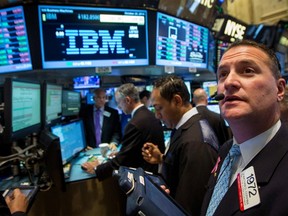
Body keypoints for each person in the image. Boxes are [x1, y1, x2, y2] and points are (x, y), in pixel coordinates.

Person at [200, 40, 288, 216]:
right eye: (223, 74)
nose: (229, 82)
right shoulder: (227, 151)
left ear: (279, 89)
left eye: (248, 71)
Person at [142, 75, 218, 215]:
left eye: (159, 108)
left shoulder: (195, 143)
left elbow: (189, 206)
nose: (157, 116)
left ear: (177, 100)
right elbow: (183, 166)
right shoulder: (187, 127)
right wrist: (162, 159)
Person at [81, 83, 165, 180]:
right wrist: (122, 152)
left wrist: (97, 168)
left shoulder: (134, 123)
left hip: (144, 178)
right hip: (155, 172)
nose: (119, 106)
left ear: (127, 100)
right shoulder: (150, 115)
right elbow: (137, 148)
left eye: (119, 102)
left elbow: (121, 161)